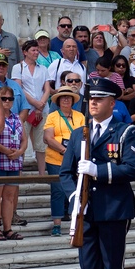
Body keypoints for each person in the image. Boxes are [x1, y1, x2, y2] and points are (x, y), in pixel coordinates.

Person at [59, 78, 135, 269]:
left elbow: (134, 168)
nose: (93, 103)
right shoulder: (78, 134)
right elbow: (65, 173)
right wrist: (75, 197)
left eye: (100, 98)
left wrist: (100, 171)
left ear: (112, 102)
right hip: (86, 211)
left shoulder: (124, 132)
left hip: (114, 209)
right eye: (91, 99)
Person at [43, 85, 85, 236]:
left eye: (69, 97)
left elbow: (84, 136)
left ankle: (76, 221)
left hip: (76, 160)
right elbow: (48, 138)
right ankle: (57, 224)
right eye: (63, 97)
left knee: (76, 190)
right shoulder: (52, 116)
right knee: (58, 191)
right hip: (55, 159)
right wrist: (65, 151)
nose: (66, 99)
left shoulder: (80, 116)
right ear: (58, 100)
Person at [0, 87, 26, 243]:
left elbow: (24, 139)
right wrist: (5, 150)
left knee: (10, 197)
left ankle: (7, 228)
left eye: (9, 99)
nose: (6, 101)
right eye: (3, 98)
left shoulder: (17, 118)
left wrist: (20, 151)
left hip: (14, 162)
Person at [12, 40, 49, 175]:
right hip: (25, 109)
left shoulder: (43, 68)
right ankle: (19, 173)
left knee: (41, 144)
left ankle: (42, 174)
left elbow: (47, 89)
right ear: (25, 52)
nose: (36, 53)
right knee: (22, 140)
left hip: (42, 109)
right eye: (33, 50)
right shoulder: (18, 67)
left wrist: (40, 106)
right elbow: (19, 88)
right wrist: (35, 103)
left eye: (37, 50)